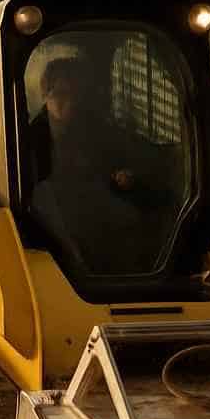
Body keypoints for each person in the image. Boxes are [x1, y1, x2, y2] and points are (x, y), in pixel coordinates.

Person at [27, 53, 153, 275]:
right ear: (45, 96)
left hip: (93, 202)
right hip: (53, 212)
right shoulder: (31, 138)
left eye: (75, 95)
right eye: (61, 94)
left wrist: (122, 174)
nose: (70, 102)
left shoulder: (93, 128)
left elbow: (112, 161)